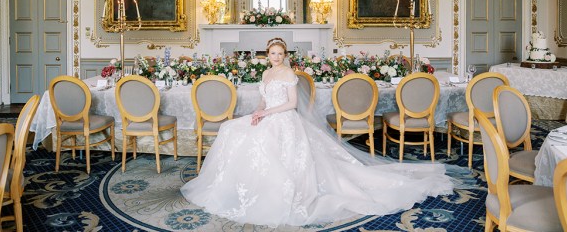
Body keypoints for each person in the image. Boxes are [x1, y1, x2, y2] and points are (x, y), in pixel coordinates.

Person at [181, 37, 454, 227]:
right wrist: (257, 112)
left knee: (266, 146)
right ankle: (240, 188)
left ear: (285, 56)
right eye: (272, 54)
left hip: (284, 120)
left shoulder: (288, 74)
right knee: (231, 130)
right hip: (267, 116)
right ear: (267, 55)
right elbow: (264, 99)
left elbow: (291, 104)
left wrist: (267, 113)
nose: (275, 58)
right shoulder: (265, 75)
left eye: (279, 54)